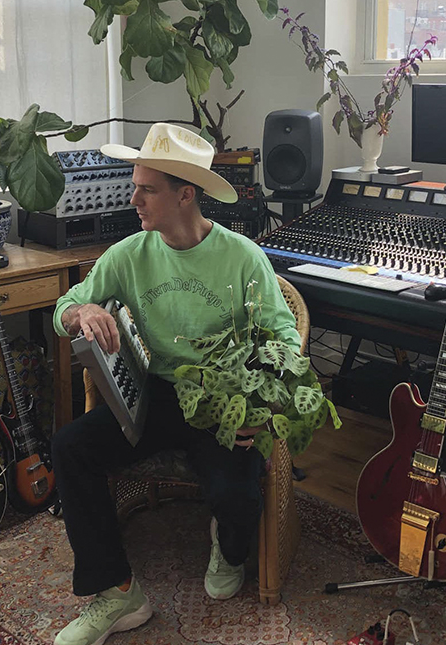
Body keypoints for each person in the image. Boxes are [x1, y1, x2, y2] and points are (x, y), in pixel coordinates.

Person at [50, 122, 301, 645]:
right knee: (71, 447)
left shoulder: (242, 257)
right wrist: (85, 310)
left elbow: (284, 338)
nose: (133, 197)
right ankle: (118, 592)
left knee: (236, 494)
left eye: (146, 188)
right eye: (134, 184)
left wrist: (259, 402)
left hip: (223, 398)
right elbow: (64, 308)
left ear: (185, 194)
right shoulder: (128, 253)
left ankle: (228, 544)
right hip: (156, 395)